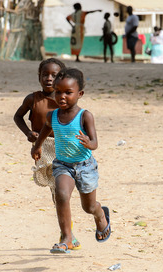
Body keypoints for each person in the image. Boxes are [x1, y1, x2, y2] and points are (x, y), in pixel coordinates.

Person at [31, 68, 111, 254]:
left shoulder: (85, 116)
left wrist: (88, 143)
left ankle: (100, 215)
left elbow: (95, 143)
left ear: (80, 94)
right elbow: (45, 129)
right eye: (58, 92)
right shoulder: (53, 116)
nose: (62, 97)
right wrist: (37, 146)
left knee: (88, 206)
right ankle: (67, 238)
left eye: (68, 92)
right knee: (61, 194)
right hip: (63, 165)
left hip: (85, 167)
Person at [14, 59, 82, 251]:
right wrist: (29, 134)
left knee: (61, 192)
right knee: (56, 192)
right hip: (44, 150)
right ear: (39, 77)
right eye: (45, 74)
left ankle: (68, 235)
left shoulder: (66, 100)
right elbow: (17, 116)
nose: (49, 78)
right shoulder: (32, 99)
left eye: (55, 75)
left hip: (65, 149)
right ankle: (68, 235)